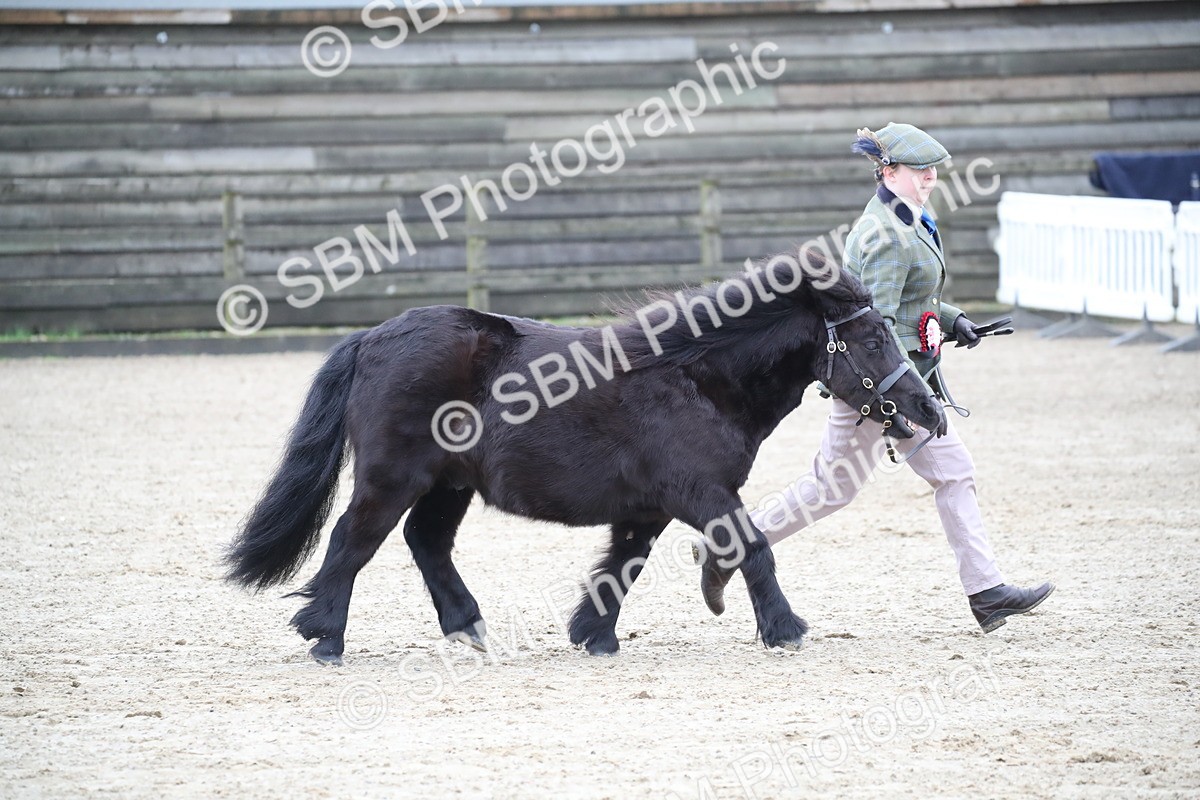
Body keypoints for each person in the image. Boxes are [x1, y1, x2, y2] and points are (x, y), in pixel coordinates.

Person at [701, 123, 1053, 634]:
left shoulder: (907, 218)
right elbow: (875, 329)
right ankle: (731, 544)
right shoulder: (887, 234)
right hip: (878, 389)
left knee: (949, 473)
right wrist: (900, 402)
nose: (930, 178)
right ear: (889, 173)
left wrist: (952, 319)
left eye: (933, 170)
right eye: (919, 170)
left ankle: (986, 592)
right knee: (832, 488)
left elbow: (913, 298)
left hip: (900, 382)